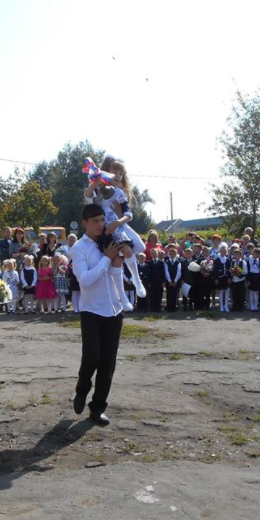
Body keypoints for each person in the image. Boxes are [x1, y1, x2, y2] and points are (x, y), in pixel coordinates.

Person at [71, 203, 125, 426]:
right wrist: (106, 258)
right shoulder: (79, 248)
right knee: (92, 357)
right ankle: (82, 389)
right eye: (95, 221)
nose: (100, 225)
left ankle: (98, 407)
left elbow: (114, 274)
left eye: (102, 220)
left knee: (108, 363)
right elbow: (84, 280)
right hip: (92, 309)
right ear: (85, 222)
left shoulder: (108, 241)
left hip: (113, 309)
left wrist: (116, 261)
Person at [83, 156, 147, 309]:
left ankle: (137, 282)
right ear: (105, 172)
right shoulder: (97, 190)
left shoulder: (119, 193)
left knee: (129, 250)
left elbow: (128, 213)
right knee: (115, 260)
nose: (118, 175)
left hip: (117, 228)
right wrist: (95, 183)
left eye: (121, 173)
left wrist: (118, 221)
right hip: (104, 231)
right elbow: (87, 198)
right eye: (115, 172)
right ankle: (122, 298)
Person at [213, 243, 231, 312]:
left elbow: (229, 269)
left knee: (227, 292)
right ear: (220, 251)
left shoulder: (228, 259)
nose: (223, 252)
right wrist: (216, 278)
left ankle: (226, 305)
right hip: (220, 278)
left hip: (226, 278)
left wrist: (229, 277)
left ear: (226, 252)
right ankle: (221, 306)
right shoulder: (217, 260)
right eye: (222, 251)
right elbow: (215, 270)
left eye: (225, 251)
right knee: (221, 292)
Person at [164, 245, 182, 312]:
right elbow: (166, 272)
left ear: (176, 254)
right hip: (169, 281)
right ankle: (169, 306)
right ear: (169, 254)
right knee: (169, 293)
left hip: (175, 280)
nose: (172, 254)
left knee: (175, 293)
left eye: (173, 253)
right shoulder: (166, 262)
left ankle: (174, 306)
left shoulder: (178, 262)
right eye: (171, 253)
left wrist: (175, 280)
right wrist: (169, 281)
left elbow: (179, 272)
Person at [229, 246, 247, 312]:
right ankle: (235, 307)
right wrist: (232, 272)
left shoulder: (243, 262)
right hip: (234, 280)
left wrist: (238, 272)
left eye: (237, 254)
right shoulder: (233, 262)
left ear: (240, 255)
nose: (236, 256)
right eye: (235, 254)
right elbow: (231, 270)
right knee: (234, 294)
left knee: (241, 294)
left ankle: (240, 307)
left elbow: (245, 271)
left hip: (240, 280)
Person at [148, 248, 165, 313]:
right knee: (152, 295)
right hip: (152, 282)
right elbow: (148, 273)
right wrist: (149, 282)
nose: (154, 254)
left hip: (159, 282)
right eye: (152, 253)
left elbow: (163, 272)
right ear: (150, 254)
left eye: (155, 253)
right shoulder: (149, 262)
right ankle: (153, 308)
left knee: (159, 294)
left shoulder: (161, 262)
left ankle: (158, 307)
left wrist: (163, 281)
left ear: (157, 253)